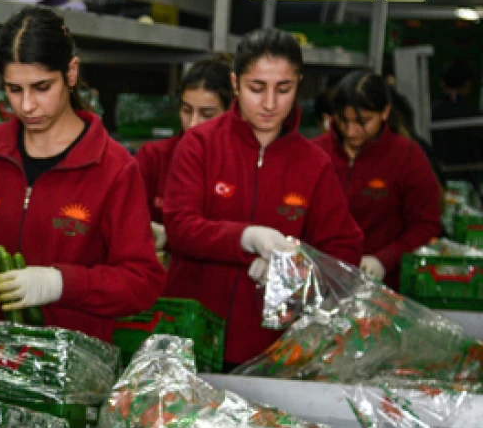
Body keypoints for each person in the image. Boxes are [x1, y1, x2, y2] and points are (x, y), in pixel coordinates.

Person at [0, 6, 166, 342]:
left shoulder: (113, 169)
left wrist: (61, 283)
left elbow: (142, 282)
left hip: (69, 362)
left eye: (42, 87)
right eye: (14, 89)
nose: (27, 105)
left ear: (71, 73)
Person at [161, 28, 363, 367]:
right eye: (256, 88)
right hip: (189, 339)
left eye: (283, 89)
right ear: (235, 83)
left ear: (298, 85)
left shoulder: (314, 164)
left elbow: (344, 251)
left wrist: (295, 272)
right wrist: (247, 238)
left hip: (272, 353)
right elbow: (180, 226)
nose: (270, 103)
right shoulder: (200, 145)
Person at [312, 71, 442, 289]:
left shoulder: (406, 156)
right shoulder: (315, 153)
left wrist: (385, 259)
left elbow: (426, 224)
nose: (351, 131)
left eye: (362, 122)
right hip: (321, 279)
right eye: (343, 120)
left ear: (385, 112)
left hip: (384, 286)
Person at [135, 55, 233, 250]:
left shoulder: (241, 166)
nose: (193, 124)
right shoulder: (154, 158)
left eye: (207, 115)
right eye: (187, 111)